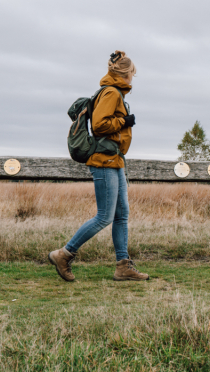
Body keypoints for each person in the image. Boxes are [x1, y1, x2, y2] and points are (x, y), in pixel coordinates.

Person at [48, 51, 149, 282]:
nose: (133, 77)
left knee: (121, 215)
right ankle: (63, 254)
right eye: (132, 73)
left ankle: (123, 266)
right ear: (125, 74)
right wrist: (124, 121)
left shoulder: (115, 93)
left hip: (115, 160)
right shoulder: (111, 92)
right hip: (103, 161)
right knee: (105, 216)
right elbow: (101, 124)